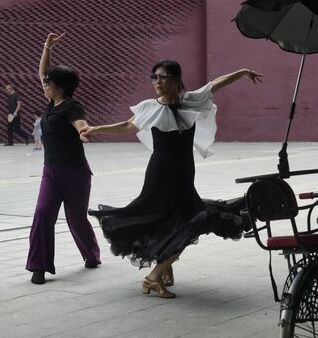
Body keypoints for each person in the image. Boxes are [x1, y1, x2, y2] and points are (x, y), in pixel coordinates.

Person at [80, 60, 262, 298]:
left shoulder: (191, 101)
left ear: (177, 80)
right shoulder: (148, 107)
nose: (157, 82)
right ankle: (153, 277)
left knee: (180, 219)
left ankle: (165, 268)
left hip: (184, 171)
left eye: (163, 77)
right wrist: (96, 129)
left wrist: (242, 71)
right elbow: (126, 126)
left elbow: (215, 84)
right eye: (154, 77)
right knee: (184, 221)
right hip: (160, 172)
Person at [26, 33, 101, 285]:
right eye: (45, 82)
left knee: (76, 218)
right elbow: (43, 71)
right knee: (42, 213)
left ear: (60, 86)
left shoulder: (71, 106)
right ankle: (39, 266)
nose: (44, 84)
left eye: (48, 83)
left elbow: (81, 123)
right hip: (51, 172)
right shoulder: (51, 103)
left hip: (75, 173)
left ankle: (91, 254)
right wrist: (47, 46)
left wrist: (83, 131)